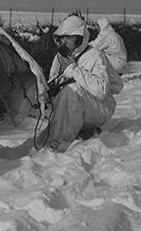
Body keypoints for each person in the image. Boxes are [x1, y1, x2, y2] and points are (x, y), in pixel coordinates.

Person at [41, 15, 123, 152]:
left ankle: (59, 143)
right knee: (67, 93)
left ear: (79, 38)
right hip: (76, 106)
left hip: (101, 106)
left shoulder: (95, 55)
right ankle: (75, 131)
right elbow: (53, 82)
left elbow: (101, 90)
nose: (64, 41)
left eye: (69, 37)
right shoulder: (60, 57)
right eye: (62, 37)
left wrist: (73, 70)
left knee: (72, 91)